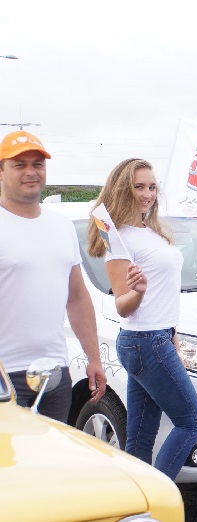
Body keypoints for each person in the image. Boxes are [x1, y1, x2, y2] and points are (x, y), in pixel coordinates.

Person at [87, 158, 197, 479]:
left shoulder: (150, 232)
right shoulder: (118, 239)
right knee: (192, 421)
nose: (147, 194)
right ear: (123, 189)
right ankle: (157, 497)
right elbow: (124, 306)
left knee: (140, 438)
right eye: (139, 187)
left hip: (158, 339)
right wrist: (137, 291)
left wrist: (173, 338)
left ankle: (135, 504)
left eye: (152, 187)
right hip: (144, 341)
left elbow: (165, 296)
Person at [0, 130, 106, 422]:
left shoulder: (61, 226)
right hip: (5, 375)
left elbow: (77, 296)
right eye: (19, 165)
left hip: (54, 375)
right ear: (1, 172)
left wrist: (93, 358)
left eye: (37, 164)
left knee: (48, 464)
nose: (31, 172)